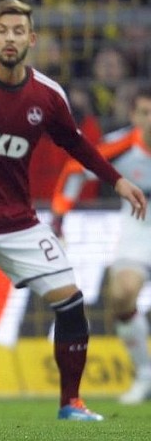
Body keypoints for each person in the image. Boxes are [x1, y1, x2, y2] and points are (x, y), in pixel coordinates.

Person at [0, 0, 147, 423]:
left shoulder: (47, 95)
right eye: (4, 31)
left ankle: (71, 403)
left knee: (71, 303)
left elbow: (77, 146)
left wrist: (117, 180)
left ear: (31, 39)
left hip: (19, 222)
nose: (11, 39)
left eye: (19, 32)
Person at [50, 86, 151, 405]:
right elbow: (75, 170)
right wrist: (59, 216)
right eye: (145, 113)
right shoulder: (119, 145)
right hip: (139, 223)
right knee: (121, 295)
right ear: (134, 116)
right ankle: (145, 377)